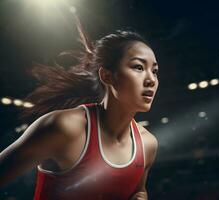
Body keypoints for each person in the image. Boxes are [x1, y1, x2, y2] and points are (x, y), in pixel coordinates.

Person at [0, 17, 159, 200]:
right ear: (107, 76)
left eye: (154, 71)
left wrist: (141, 196)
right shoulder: (65, 128)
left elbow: (138, 190)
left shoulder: (148, 144)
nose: (151, 80)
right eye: (138, 67)